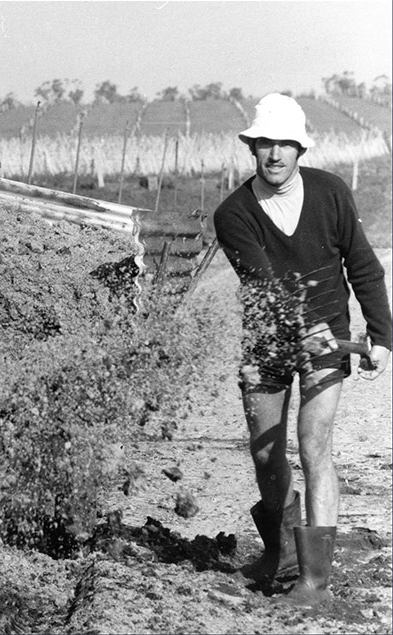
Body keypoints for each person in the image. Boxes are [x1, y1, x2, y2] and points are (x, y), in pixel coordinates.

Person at [214, 93, 392, 606]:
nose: (275, 154)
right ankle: (283, 552)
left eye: (285, 144)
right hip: (267, 341)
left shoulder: (331, 192)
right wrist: (301, 326)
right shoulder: (234, 213)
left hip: (327, 338)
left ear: (301, 149)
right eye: (265, 143)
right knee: (266, 454)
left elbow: (362, 264)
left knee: (314, 444)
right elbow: (265, 285)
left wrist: (381, 336)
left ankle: (315, 581)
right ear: (252, 147)